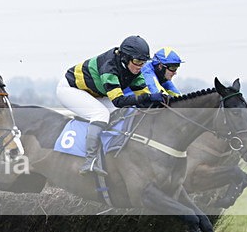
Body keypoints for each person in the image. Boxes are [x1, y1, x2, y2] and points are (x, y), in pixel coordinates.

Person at [57, 35, 166, 176]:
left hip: (93, 92)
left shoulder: (134, 71)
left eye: (143, 62)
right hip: (70, 89)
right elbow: (119, 101)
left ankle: (108, 155)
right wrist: (149, 97)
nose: (140, 66)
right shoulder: (109, 67)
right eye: (137, 61)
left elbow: (144, 99)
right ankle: (89, 162)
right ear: (125, 58)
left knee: (120, 113)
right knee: (101, 114)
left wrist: (159, 101)